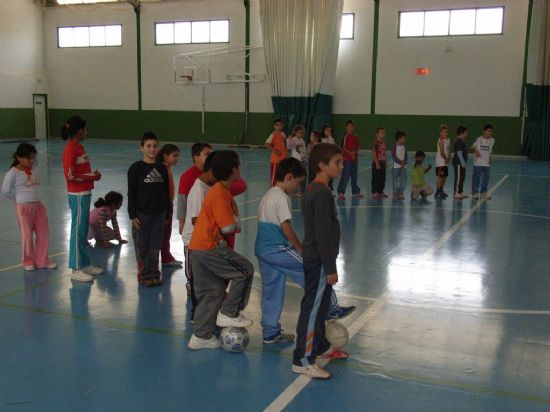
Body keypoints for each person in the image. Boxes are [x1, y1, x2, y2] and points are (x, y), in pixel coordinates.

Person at [255, 157, 355, 345]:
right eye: (298, 183)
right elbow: (286, 229)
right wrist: (301, 249)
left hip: (263, 250)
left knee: (272, 291)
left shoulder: (268, 195)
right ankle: (331, 307)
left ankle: (270, 332)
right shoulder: (282, 197)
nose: (298, 188)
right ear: (289, 177)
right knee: (313, 270)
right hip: (277, 248)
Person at [293, 143, 350, 380]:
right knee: (312, 308)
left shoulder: (319, 190)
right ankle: (302, 360)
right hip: (318, 261)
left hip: (319, 258)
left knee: (319, 309)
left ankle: (317, 346)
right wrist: (330, 267)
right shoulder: (320, 193)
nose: (341, 166)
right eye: (337, 162)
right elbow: (323, 234)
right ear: (322, 165)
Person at [187, 150, 254, 350]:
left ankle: (201, 336)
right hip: (210, 246)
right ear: (234, 170)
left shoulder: (219, 189)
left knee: (212, 291)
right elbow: (228, 228)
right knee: (245, 270)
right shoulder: (219, 193)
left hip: (197, 247)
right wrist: (234, 219)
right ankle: (229, 313)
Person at [1, 143, 56, 271]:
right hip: (23, 207)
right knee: (27, 235)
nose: (32, 161)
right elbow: (5, 191)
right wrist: (18, 200)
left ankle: (43, 260)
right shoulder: (12, 173)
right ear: (19, 158)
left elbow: (36, 185)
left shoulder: (35, 169)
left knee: (44, 233)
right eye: (28, 158)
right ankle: (28, 260)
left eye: (33, 158)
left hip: (38, 206)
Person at [61, 116, 103, 282]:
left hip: (85, 194)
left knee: (83, 230)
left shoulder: (79, 147)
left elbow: (80, 172)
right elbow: (70, 176)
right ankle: (76, 268)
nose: (86, 132)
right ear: (80, 131)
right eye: (85, 129)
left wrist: (92, 177)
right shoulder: (71, 149)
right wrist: (91, 176)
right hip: (77, 195)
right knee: (77, 231)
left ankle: (85, 264)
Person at [128, 132, 170, 287]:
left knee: (155, 245)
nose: (152, 149)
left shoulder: (162, 169)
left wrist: (167, 213)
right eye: (148, 146)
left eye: (154, 146)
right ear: (142, 148)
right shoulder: (136, 169)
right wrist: (133, 215)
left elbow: (166, 192)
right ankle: (145, 274)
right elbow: (131, 192)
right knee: (143, 246)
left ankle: (154, 273)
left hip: (159, 214)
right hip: (142, 214)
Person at [181, 151, 218, 316]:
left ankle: (205, 314)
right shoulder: (199, 190)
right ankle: (197, 317)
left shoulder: (209, 187)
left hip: (204, 242)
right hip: (193, 243)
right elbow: (197, 219)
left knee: (206, 280)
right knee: (196, 280)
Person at [177, 143, 213, 236]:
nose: (211, 157)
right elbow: (182, 200)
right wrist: (182, 223)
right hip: (194, 223)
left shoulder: (213, 174)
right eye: (207, 154)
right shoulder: (187, 177)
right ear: (196, 158)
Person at [157, 144, 183, 267]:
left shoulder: (167, 168)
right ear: (165, 156)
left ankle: (166, 256)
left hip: (168, 204)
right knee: (164, 233)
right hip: (164, 205)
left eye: (178, 156)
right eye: (174, 156)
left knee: (166, 233)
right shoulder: (162, 169)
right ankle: (165, 258)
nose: (176, 159)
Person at [336, 120, 363, 200]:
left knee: (354, 175)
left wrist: (355, 153)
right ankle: (341, 192)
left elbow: (358, 147)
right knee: (345, 175)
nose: (351, 128)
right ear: (346, 127)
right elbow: (343, 147)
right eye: (349, 126)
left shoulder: (356, 137)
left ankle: (355, 191)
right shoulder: (346, 136)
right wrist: (351, 153)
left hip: (355, 159)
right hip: (347, 159)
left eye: (352, 126)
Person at [471, 124, 495, 200]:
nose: (490, 133)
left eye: (491, 131)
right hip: (478, 163)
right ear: (484, 131)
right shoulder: (479, 139)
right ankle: (475, 192)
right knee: (476, 178)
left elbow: (490, 151)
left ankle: (483, 192)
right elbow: (473, 147)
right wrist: (475, 151)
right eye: (488, 131)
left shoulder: (492, 140)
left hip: (486, 163)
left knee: (486, 178)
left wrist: (490, 158)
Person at [265, 119, 287, 186]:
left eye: (280, 125)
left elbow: (283, 144)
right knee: (274, 177)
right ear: (274, 126)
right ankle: (272, 190)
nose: (279, 126)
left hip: (283, 159)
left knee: (281, 176)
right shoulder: (273, 134)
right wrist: (275, 150)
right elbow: (266, 144)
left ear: (282, 125)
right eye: (277, 125)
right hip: (275, 160)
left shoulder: (283, 134)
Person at [287, 124, 307, 193]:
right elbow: (289, 147)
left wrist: (305, 158)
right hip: (296, 161)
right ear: (295, 132)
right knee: (296, 176)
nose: (301, 134)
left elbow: (304, 150)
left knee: (303, 176)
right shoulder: (293, 139)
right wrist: (289, 140)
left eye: (302, 133)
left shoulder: (302, 140)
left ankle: (302, 190)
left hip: (302, 160)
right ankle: (294, 190)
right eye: (299, 133)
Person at [452, 126, 469, 199]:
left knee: (462, 177)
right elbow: (459, 153)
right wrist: (462, 163)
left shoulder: (462, 141)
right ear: (461, 133)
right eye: (466, 133)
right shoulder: (458, 141)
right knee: (458, 177)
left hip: (462, 163)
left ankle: (460, 191)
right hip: (458, 163)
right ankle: (456, 192)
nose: (467, 134)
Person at [371, 127, 388, 199]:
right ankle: (375, 192)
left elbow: (385, 153)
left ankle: (380, 191)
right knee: (376, 178)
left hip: (383, 163)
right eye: (381, 132)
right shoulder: (376, 143)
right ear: (377, 134)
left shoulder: (384, 143)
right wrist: (377, 163)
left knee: (382, 178)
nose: (383, 134)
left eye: (384, 133)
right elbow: (374, 153)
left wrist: (386, 162)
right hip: (377, 164)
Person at [435, 125, 451, 199]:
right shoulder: (441, 141)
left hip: (445, 162)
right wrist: (446, 158)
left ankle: (441, 190)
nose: (446, 133)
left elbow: (448, 150)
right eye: (444, 132)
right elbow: (442, 152)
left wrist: (449, 157)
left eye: (447, 132)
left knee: (445, 176)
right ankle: (437, 191)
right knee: (440, 177)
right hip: (440, 162)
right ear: (440, 133)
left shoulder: (448, 140)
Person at [391, 131, 408, 200]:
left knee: (403, 180)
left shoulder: (404, 147)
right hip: (396, 167)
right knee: (395, 181)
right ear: (398, 138)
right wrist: (400, 162)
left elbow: (406, 156)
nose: (405, 139)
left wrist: (404, 162)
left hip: (404, 167)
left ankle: (401, 193)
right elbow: (394, 156)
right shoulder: (394, 147)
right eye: (403, 138)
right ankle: (395, 194)